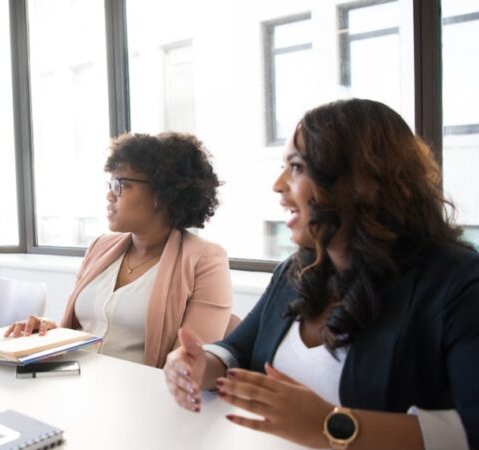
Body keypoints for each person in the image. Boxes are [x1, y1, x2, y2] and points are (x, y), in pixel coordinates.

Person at [164, 99, 478, 449]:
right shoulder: (297, 270)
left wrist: (329, 425)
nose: (278, 185)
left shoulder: (459, 283)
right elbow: (236, 350)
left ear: (362, 180)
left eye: (296, 167)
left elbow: (471, 430)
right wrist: (199, 364)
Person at [5, 132, 233, 368]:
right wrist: (49, 332)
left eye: (121, 185)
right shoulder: (100, 247)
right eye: (110, 184)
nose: (109, 195)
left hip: (141, 396)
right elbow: (83, 329)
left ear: (162, 194)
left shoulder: (205, 259)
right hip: (73, 382)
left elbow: (191, 364)